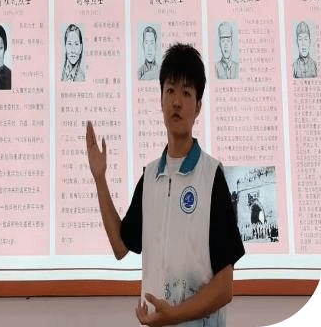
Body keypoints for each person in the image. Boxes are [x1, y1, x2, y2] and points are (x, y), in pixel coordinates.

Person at [86, 43, 244, 326]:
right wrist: (100, 179)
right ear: (160, 100)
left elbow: (225, 288)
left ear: (198, 106)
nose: (176, 102)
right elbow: (121, 246)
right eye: (170, 90)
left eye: (186, 92)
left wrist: (174, 315)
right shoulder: (150, 178)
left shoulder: (211, 177)